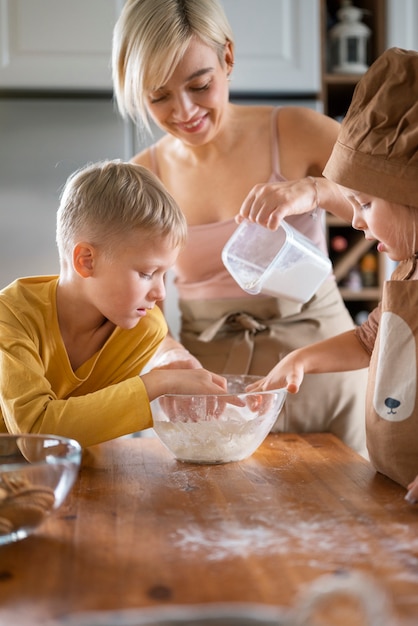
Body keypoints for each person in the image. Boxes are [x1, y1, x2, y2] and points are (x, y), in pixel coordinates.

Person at [111, 0, 368, 456]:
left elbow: (401, 208)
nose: (184, 110)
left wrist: (316, 191)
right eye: (159, 97)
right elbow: (129, 294)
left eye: (200, 84)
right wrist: (165, 349)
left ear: (227, 57)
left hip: (326, 375)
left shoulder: (294, 130)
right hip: (213, 393)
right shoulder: (144, 177)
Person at [243, 47, 418, 501]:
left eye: (365, 204)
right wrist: (297, 360)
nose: (356, 221)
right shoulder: (409, 273)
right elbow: (368, 340)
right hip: (393, 489)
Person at [0, 160, 227, 448]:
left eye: (164, 274)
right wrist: (157, 384)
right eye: (147, 273)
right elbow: (37, 439)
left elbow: (88, 432)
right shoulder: (10, 315)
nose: (160, 293)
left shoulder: (145, 329)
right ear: (86, 261)